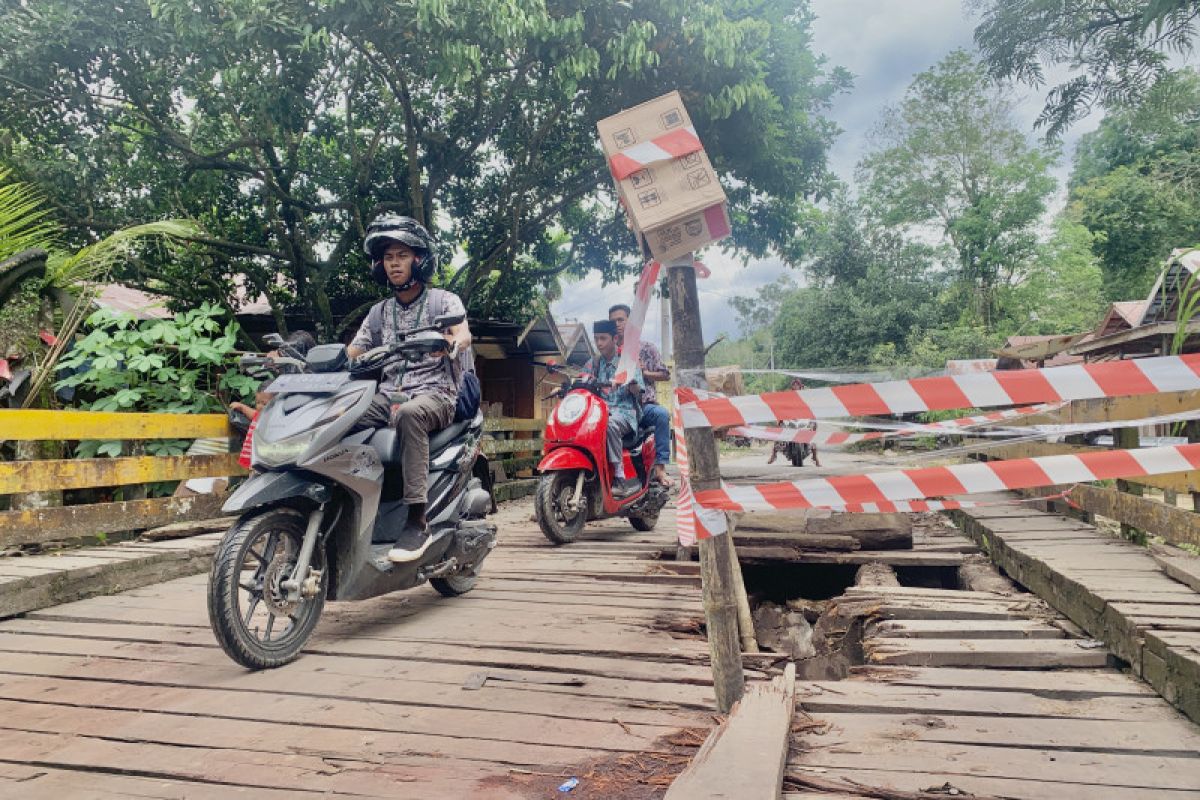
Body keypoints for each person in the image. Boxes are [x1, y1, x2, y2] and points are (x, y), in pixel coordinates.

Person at [347, 214, 473, 563]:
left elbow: (462, 333)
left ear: (419, 260)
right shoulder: (378, 313)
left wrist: (451, 344)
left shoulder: (443, 302)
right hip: (388, 394)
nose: (394, 264)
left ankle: (417, 520)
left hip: (436, 395)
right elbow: (353, 352)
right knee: (341, 413)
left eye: (401, 255)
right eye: (388, 257)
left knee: (409, 414)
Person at [608, 303, 672, 487]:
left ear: (630, 323)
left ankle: (660, 468)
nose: (617, 324)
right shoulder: (608, 352)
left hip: (644, 405)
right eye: (613, 321)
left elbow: (665, 374)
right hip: (617, 407)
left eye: (621, 320)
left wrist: (643, 374)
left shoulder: (646, 348)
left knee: (661, 415)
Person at [583, 319, 644, 499]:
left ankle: (619, 478)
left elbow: (638, 389)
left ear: (615, 338)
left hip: (624, 414)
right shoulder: (594, 363)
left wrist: (629, 381)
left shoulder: (627, 362)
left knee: (608, 424)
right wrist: (564, 386)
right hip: (599, 413)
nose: (599, 343)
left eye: (603, 338)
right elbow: (581, 378)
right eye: (596, 339)